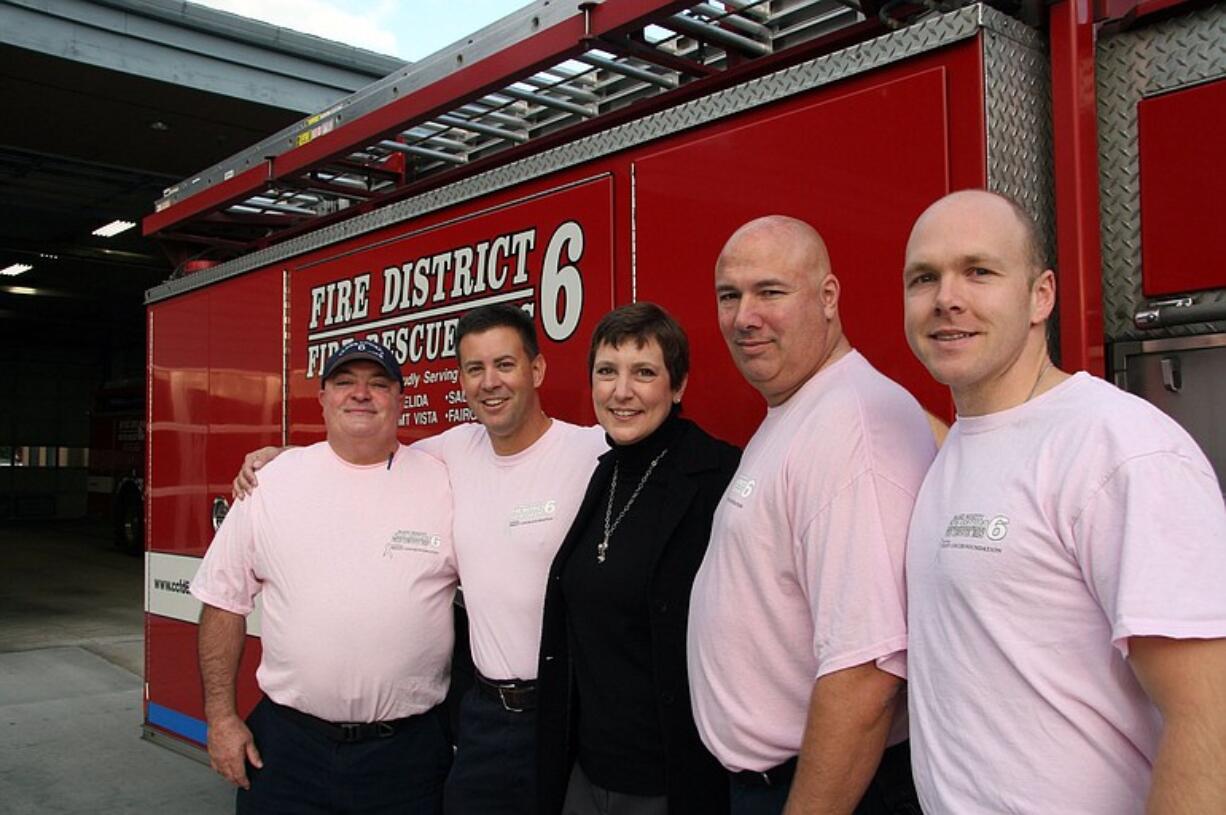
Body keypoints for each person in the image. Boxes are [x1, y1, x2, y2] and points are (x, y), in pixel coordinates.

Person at [902, 189, 1226, 813]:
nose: (946, 298)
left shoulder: (1119, 449)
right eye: (924, 277)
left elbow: (1208, 716)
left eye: (979, 271)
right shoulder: (957, 447)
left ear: (1041, 295)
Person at [234, 306, 606, 815]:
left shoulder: (592, 451)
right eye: (475, 369)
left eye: (504, 364)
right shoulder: (453, 451)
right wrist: (286, 457)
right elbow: (365, 445)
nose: (490, 382)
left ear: (536, 371)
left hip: (568, 711)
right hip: (483, 720)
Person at [687, 215, 935, 815]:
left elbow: (868, 673)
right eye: (730, 296)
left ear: (828, 298)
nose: (745, 316)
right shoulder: (802, 408)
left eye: (770, 292)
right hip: (775, 780)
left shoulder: (851, 427)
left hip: (826, 788)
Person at [191, 339, 457, 814]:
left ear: (400, 399)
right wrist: (221, 718)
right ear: (322, 397)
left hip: (408, 755)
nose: (361, 394)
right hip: (290, 749)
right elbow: (222, 601)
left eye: (378, 384)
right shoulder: (271, 483)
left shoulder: (446, 482)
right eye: (344, 383)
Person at [537, 303, 740, 815]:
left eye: (644, 373)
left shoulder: (718, 478)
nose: (621, 391)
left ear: (678, 387)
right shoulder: (604, 473)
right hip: (586, 775)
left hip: (669, 783)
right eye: (607, 371)